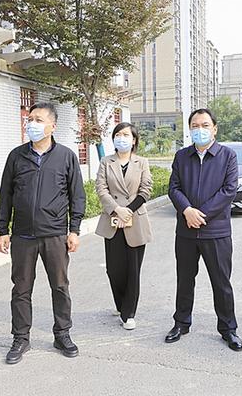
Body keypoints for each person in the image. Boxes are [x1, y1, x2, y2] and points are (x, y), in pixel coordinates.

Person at [0, 102, 86, 364]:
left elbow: (77, 195)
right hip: (23, 236)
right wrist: (3, 229)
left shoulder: (66, 156)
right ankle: (21, 338)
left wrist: (74, 230)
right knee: (21, 289)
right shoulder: (16, 156)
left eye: (38, 120)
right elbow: (6, 194)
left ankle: (62, 334)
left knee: (60, 286)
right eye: (30, 119)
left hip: (54, 234)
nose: (31, 124)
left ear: (52, 126)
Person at [165, 108, 242, 352]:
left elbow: (229, 190)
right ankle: (181, 323)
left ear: (214, 129)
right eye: (195, 126)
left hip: (216, 232)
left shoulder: (227, 156)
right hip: (186, 232)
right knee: (184, 280)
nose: (200, 130)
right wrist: (187, 210)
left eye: (205, 125)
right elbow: (174, 188)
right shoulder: (182, 156)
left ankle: (228, 329)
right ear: (190, 129)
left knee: (221, 283)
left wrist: (201, 215)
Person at [95, 122, 153, 330]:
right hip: (112, 220)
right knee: (114, 270)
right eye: (118, 134)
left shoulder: (142, 162)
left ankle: (129, 313)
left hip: (135, 219)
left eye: (126, 135)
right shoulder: (106, 162)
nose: (122, 138)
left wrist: (127, 210)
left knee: (133, 270)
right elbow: (101, 188)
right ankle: (121, 305)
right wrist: (116, 209)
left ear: (134, 139)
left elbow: (146, 189)